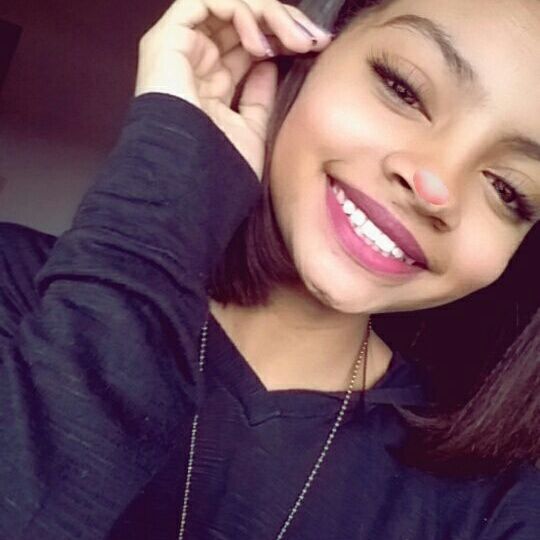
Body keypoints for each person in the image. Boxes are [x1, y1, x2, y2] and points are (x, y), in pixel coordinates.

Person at [0, 0, 538, 538]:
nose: (435, 187)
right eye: (404, 88)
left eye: (508, 189)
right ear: (301, 49)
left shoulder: (497, 504)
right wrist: (169, 167)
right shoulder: (15, 285)